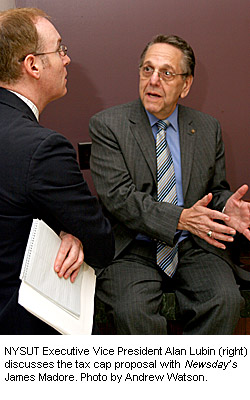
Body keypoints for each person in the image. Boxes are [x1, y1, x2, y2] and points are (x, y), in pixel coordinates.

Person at [89, 34, 250, 335]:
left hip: (193, 245)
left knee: (226, 300)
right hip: (133, 246)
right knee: (131, 311)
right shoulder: (108, 125)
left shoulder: (207, 127)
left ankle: (193, 379)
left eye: (166, 73)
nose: (153, 80)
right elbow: (118, 198)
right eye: (147, 69)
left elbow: (214, 190)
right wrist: (180, 218)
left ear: (186, 85)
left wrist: (226, 206)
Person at [0, 7, 114, 334]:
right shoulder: (45, 148)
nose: (67, 59)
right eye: (60, 49)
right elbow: (101, 243)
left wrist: (66, 227)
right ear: (33, 65)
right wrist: (74, 231)